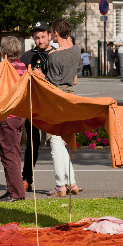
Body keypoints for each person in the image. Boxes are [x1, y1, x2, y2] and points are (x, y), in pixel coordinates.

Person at [41, 19, 83, 196]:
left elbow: (51, 82)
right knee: (64, 142)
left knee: (56, 143)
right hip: (71, 97)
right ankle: (72, 182)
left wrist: (38, 75)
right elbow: (75, 77)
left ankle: (60, 185)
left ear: (56, 34)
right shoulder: (76, 50)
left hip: (57, 99)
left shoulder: (54, 56)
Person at [20, 22, 56, 192]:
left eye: (43, 37)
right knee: (32, 143)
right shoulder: (27, 57)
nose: (40, 41)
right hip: (33, 105)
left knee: (58, 142)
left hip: (53, 104)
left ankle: (64, 182)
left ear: (49, 35)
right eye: (36, 38)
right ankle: (27, 178)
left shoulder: (57, 54)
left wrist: (45, 77)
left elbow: (65, 80)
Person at [0, 36, 28, 202]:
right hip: (20, 115)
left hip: (8, 115)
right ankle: (12, 189)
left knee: (8, 155)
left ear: (3, 52)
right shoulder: (22, 66)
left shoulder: (5, 69)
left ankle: (16, 193)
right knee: (14, 152)